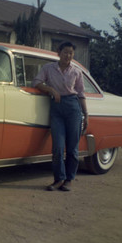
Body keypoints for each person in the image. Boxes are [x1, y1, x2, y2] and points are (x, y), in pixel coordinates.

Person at [32, 41, 89, 191]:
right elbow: (36, 82)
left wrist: (86, 115)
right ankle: (58, 179)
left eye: (71, 53)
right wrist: (50, 89)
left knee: (72, 149)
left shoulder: (76, 72)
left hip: (73, 109)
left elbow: (81, 94)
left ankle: (69, 179)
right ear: (58, 52)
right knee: (57, 147)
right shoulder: (48, 68)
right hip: (56, 109)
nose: (68, 55)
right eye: (65, 52)